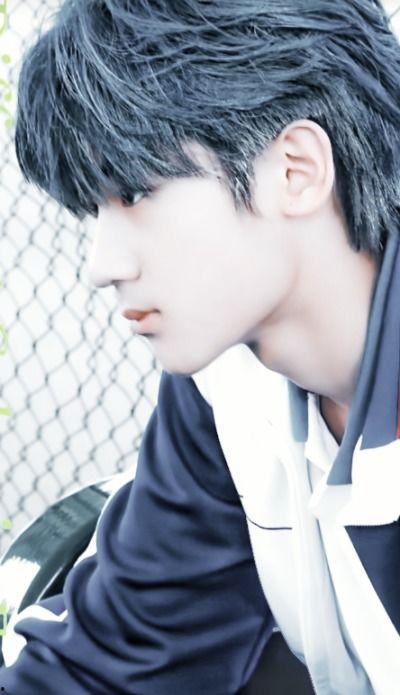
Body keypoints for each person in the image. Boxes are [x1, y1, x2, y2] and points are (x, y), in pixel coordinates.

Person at [1, 0, 399, 692]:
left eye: (134, 192)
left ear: (296, 170)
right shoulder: (228, 387)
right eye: (94, 208)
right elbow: (113, 656)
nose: (102, 265)